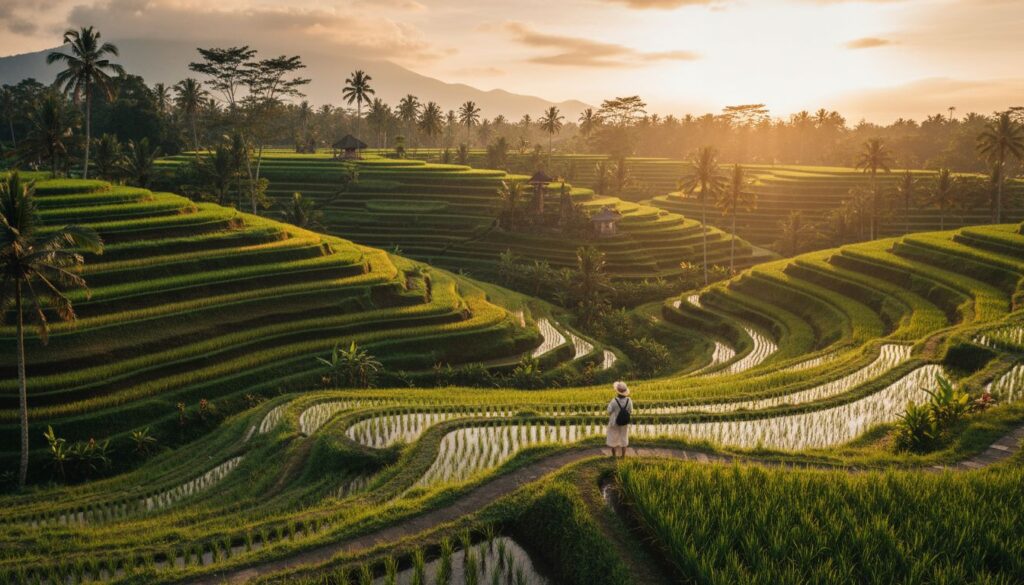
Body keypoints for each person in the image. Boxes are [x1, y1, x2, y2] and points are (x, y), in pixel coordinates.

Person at [606, 381, 633, 458]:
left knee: (613, 437)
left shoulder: (614, 401)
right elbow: (630, 411)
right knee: (624, 437)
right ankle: (623, 456)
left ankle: (614, 456)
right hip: (624, 422)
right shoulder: (629, 400)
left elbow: (609, 411)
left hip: (614, 422)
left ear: (617, 391)